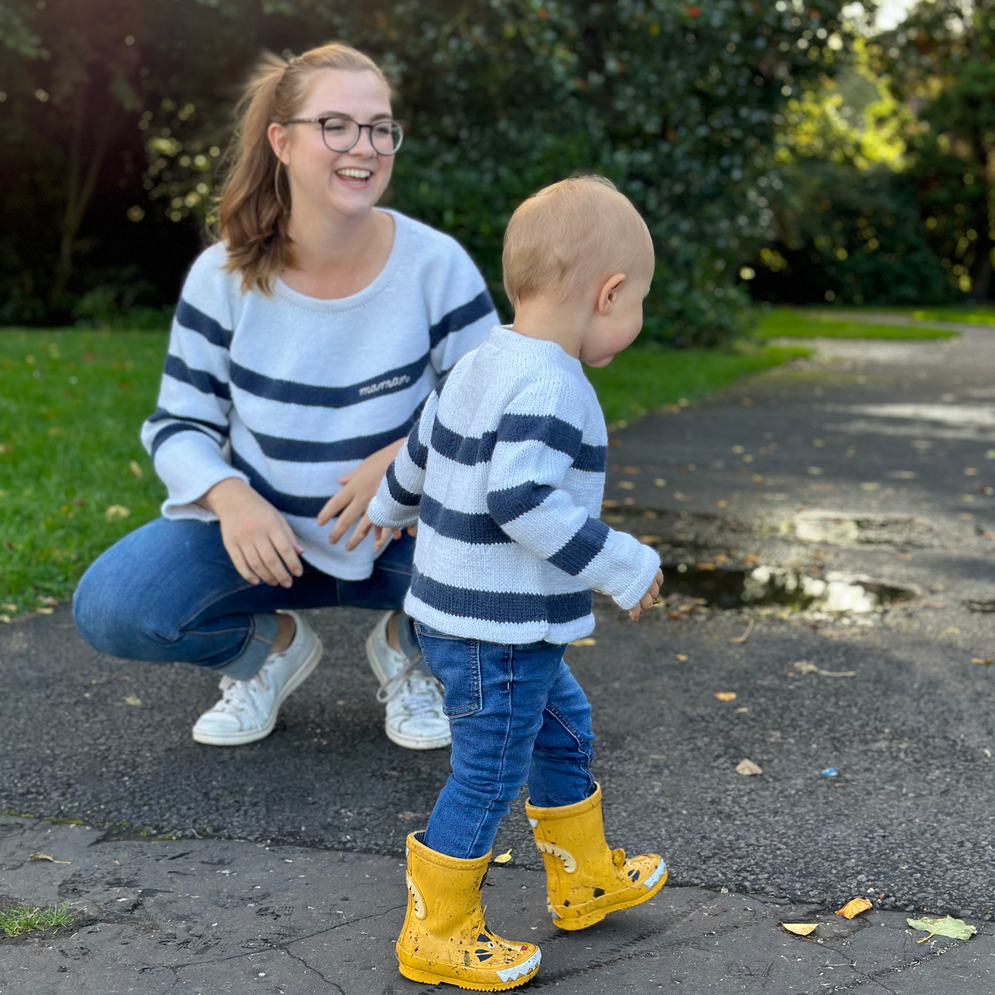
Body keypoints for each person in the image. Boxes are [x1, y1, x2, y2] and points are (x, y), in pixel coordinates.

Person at [72, 42, 498, 751]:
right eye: (335, 124)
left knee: (518, 552)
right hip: (267, 544)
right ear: (282, 139)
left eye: (378, 126)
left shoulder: (436, 266)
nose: (362, 146)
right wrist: (229, 498)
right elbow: (179, 422)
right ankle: (268, 649)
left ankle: (409, 647)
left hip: (399, 540)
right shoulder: (224, 276)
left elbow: (490, 407)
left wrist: (404, 461)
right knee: (115, 606)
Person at [367, 176, 668, 990]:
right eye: (638, 299)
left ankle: (582, 875)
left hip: (477, 618)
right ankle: (437, 930)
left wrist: (387, 504)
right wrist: (624, 565)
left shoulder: (484, 357)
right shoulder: (553, 384)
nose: (636, 315)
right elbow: (521, 499)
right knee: (491, 766)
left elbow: (420, 447)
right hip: (493, 627)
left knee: (563, 726)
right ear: (608, 294)